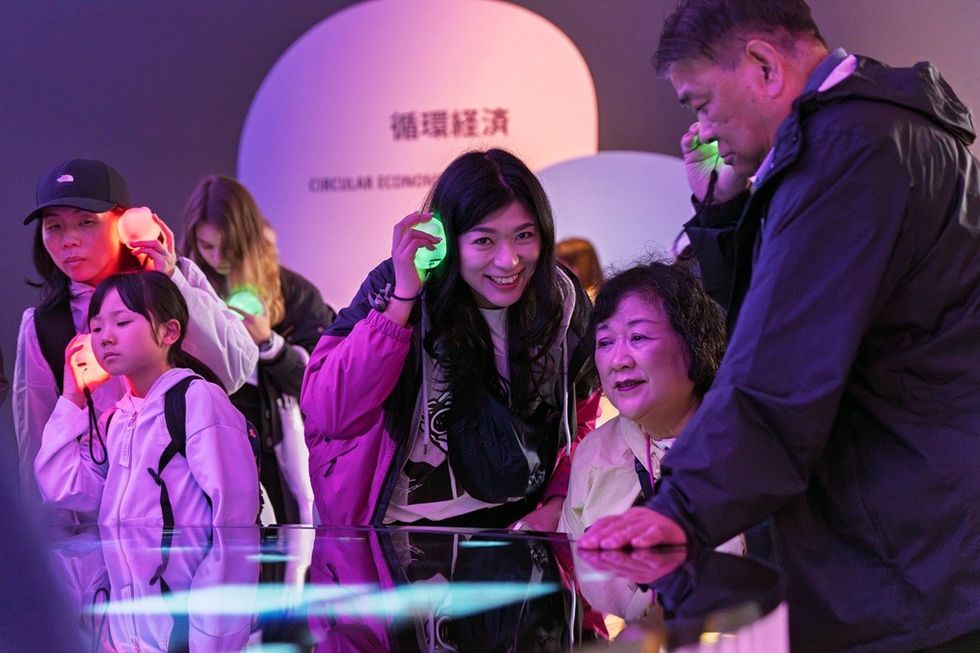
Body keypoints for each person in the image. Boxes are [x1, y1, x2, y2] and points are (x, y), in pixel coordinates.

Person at [580, 1, 980, 651]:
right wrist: (722, 207)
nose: (703, 128)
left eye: (702, 103)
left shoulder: (850, 152)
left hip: (907, 560)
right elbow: (761, 328)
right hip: (916, 547)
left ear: (765, 64)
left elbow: (779, 371)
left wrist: (676, 508)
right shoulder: (867, 137)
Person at [301, 148, 599, 529]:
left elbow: (581, 419)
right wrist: (401, 302)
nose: (508, 261)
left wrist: (559, 499)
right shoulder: (395, 287)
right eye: (484, 241)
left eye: (524, 235)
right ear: (448, 240)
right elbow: (332, 412)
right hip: (392, 536)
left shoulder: (561, 300)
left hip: (513, 535)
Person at [13, 159, 257, 507]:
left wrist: (171, 280)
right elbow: (36, 451)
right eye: (54, 227)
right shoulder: (44, 325)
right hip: (101, 519)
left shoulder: (174, 279)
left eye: (86, 222)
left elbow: (235, 369)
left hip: (196, 505)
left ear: (125, 221)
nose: (69, 240)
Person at [34, 271, 260, 526]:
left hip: (191, 566)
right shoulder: (114, 419)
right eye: (96, 327)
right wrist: (72, 397)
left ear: (169, 332)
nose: (105, 337)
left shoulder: (198, 400)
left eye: (122, 323)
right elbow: (61, 488)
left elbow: (235, 513)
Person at [558, 261, 741, 557]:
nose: (619, 360)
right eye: (605, 341)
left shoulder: (747, 446)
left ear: (696, 342)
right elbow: (575, 571)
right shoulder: (595, 451)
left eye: (638, 337)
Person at [182, 175, 336, 524]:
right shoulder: (185, 293)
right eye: (207, 246)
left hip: (277, 452)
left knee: (283, 556)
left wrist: (269, 343)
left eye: (229, 247)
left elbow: (324, 385)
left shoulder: (294, 293)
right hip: (203, 448)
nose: (218, 257)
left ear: (250, 238)